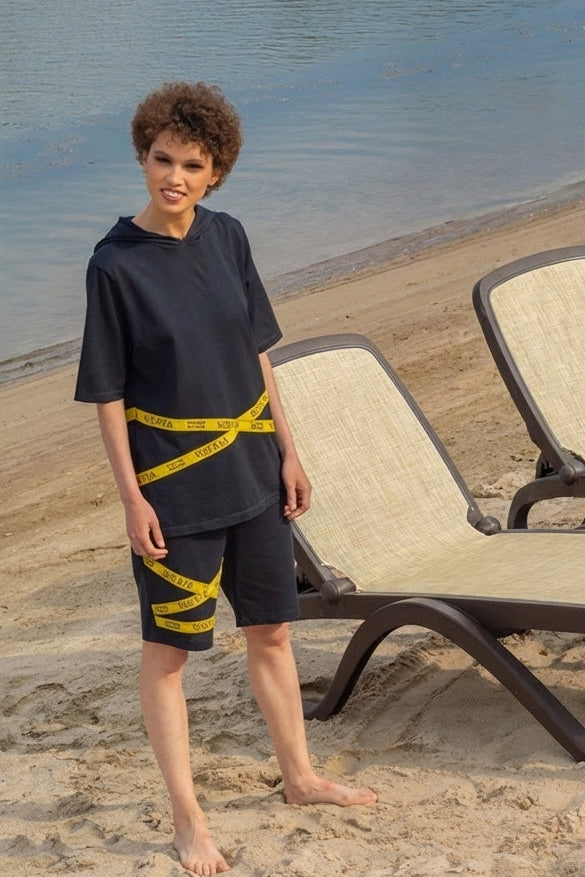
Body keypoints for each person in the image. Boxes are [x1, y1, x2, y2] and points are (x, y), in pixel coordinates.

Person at [75, 81, 376, 876]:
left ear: (216, 172)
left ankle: (300, 777)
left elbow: (255, 354)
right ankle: (187, 818)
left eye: (191, 164)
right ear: (142, 156)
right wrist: (132, 498)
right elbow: (108, 394)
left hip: (253, 471)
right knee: (168, 653)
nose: (173, 176)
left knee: (271, 631)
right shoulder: (113, 265)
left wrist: (288, 451)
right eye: (161, 159)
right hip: (174, 490)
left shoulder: (229, 237)